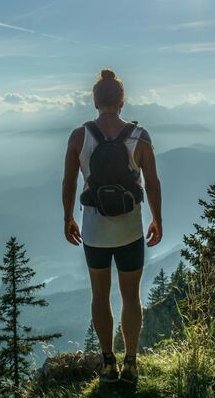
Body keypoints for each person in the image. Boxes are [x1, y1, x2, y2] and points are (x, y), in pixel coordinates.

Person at [62, 68, 163, 385]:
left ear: (95, 100)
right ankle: (131, 363)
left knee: (100, 296)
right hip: (130, 230)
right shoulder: (140, 136)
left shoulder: (80, 136)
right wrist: (157, 219)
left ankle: (108, 365)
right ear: (122, 100)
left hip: (95, 231)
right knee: (131, 297)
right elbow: (153, 182)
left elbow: (69, 181)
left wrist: (68, 217)